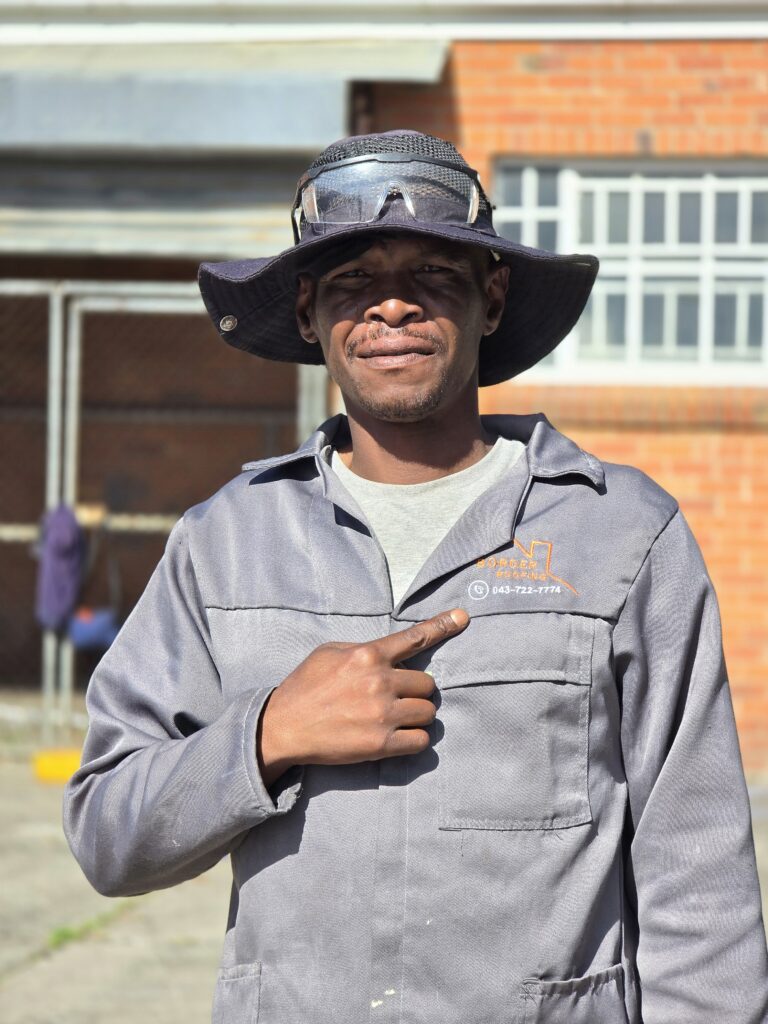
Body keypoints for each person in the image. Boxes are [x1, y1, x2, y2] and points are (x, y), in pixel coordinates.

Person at [63, 130, 768, 1024]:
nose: (391, 307)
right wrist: (268, 735)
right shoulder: (224, 544)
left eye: (433, 276)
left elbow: (698, 880)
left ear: (492, 299)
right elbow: (107, 838)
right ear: (312, 313)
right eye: (354, 281)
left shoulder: (620, 536)